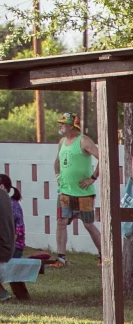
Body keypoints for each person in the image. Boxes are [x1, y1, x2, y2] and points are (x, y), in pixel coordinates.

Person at [52, 111, 101, 267]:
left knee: (88, 224)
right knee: (61, 221)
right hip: (65, 192)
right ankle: (61, 258)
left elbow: (103, 157)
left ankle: (104, 255)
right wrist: (58, 177)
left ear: (72, 125)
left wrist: (93, 178)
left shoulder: (83, 140)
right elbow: (57, 161)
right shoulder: (61, 142)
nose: (61, 126)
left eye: (63, 123)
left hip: (84, 194)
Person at [0, 173, 26, 257]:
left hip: (12, 248)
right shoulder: (6, 203)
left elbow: (17, 231)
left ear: (1, 187)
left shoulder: (10, 204)